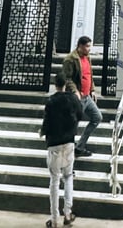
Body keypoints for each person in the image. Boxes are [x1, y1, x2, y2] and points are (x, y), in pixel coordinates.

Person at [40, 71, 81, 228]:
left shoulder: (51, 101)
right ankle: (68, 213)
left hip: (54, 144)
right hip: (69, 143)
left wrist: (43, 132)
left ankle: (54, 218)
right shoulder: (72, 99)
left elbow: (47, 122)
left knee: (54, 181)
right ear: (65, 84)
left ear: (54, 84)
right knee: (68, 177)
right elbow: (80, 113)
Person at [63, 35, 102, 158]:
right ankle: (68, 151)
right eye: (87, 46)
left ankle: (79, 146)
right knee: (72, 125)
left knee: (97, 117)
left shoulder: (87, 57)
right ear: (80, 46)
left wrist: (92, 90)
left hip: (87, 97)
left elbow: (89, 74)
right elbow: (67, 78)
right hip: (76, 98)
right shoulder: (70, 59)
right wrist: (75, 91)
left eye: (90, 46)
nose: (89, 49)